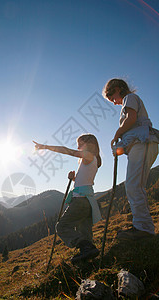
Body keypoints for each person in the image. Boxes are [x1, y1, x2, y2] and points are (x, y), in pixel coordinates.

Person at [102, 78, 159, 240]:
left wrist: (117, 134)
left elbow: (131, 118)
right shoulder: (129, 101)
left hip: (144, 143)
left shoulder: (130, 98)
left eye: (112, 97)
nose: (114, 102)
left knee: (134, 186)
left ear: (119, 89)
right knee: (133, 185)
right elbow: (132, 129)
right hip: (141, 144)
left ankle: (144, 228)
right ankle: (141, 225)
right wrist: (119, 147)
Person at [33, 134, 102, 262]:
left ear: (88, 144)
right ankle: (87, 256)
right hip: (88, 201)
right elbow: (85, 180)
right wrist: (74, 179)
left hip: (80, 201)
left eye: (80, 144)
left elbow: (67, 151)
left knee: (62, 227)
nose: (78, 147)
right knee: (84, 231)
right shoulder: (94, 159)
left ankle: (86, 247)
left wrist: (46, 147)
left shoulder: (88, 156)